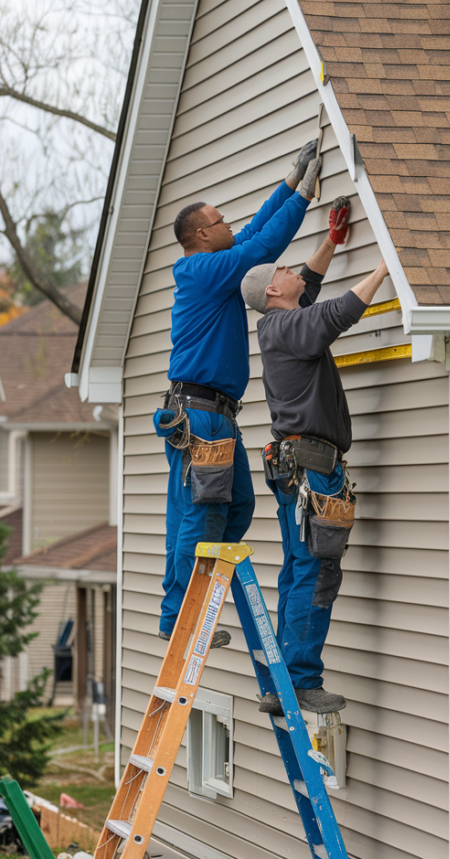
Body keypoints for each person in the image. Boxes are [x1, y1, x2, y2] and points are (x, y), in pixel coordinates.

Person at [153, 141, 321, 641]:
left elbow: (247, 237)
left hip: (211, 413)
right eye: (221, 220)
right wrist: (305, 198)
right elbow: (257, 249)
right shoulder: (203, 270)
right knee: (202, 516)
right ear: (202, 234)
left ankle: (179, 611)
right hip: (200, 414)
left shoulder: (213, 268)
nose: (230, 224)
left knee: (233, 509)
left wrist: (291, 183)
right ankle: (186, 621)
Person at [241, 202, 389, 713]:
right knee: (315, 571)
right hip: (312, 471)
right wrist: (387, 263)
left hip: (296, 468)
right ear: (273, 292)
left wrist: (333, 241)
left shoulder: (281, 325)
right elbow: (336, 314)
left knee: (296, 570)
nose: (293, 269)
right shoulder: (287, 329)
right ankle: (301, 681)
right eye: (284, 269)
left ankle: (281, 680)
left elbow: (310, 283)